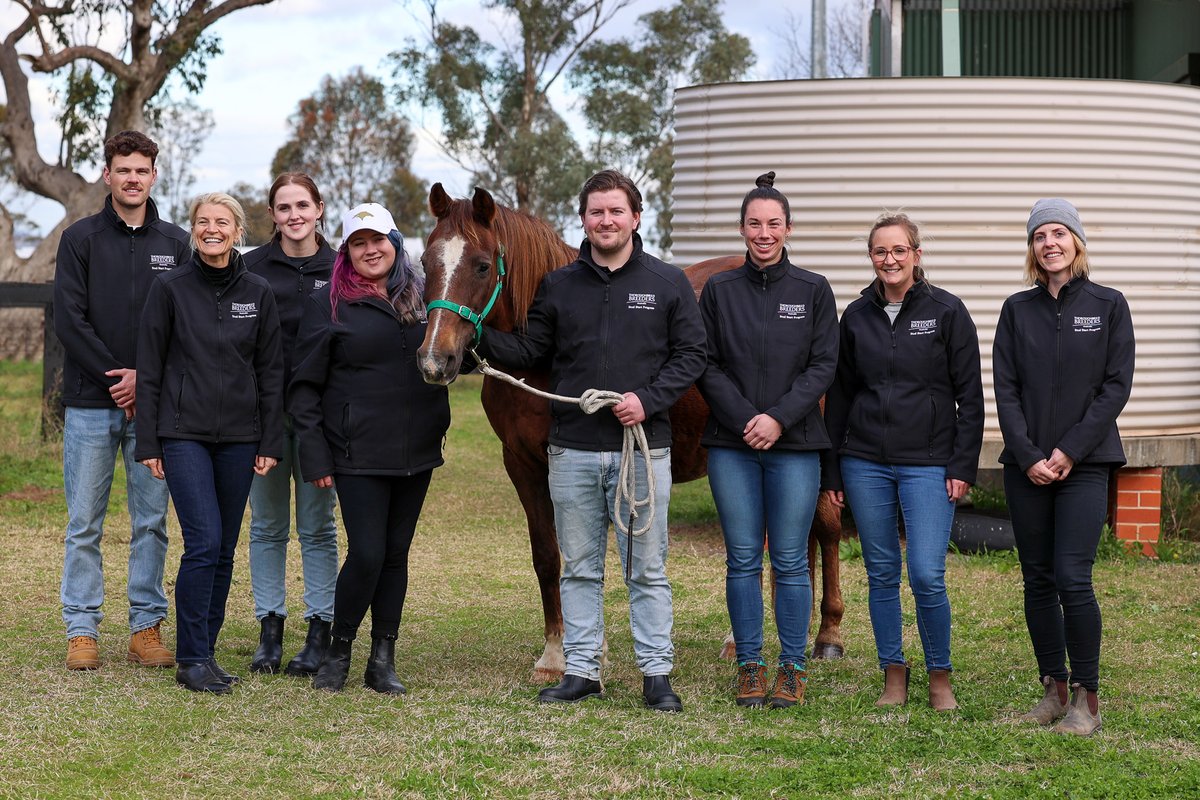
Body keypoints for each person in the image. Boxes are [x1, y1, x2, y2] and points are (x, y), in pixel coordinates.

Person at [475, 170, 706, 712]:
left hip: (641, 446)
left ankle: (656, 674)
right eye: (596, 212)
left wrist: (648, 399)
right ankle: (582, 671)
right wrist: (469, 329)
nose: (606, 221)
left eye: (616, 211)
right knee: (579, 567)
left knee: (646, 569)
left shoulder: (667, 282)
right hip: (573, 449)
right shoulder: (559, 286)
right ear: (583, 220)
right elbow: (531, 351)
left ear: (636, 218)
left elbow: (692, 355)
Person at [822, 212, 984, 711]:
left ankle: (939, 674)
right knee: (881, 572)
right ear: (871, 257)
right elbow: (840, 397)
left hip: (929, 463)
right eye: (880, 251)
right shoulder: (856, 317)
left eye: (898, 250)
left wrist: (962, 466)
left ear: (916, 254)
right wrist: (833, 470)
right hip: (865, 463)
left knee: (927, 574)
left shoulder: (947, 311)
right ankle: (893, 672)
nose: (889, 259)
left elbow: (970, 397)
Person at [289, 203, 450, 695]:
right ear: (346, 251)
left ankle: (382, 660)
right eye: (358, 243)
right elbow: (304, 387)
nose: (370, 250)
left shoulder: (424, 296)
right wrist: (314, 453)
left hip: (417, 447)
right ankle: (338, 652)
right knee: (367, 553)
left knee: (396, 554)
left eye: (378, 240)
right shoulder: (328, 303)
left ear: (395, 242)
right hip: (356, 449)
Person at [697, 172, 838, 709]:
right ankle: (751, 666)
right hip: (732, 446)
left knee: (790, 559)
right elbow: (706, 364)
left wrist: (777, 419)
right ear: (741, 229)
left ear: (788, 229)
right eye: (754, 223)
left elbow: (823, 366)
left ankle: (792, 668)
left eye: (773, 223)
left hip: (795, 446)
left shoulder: (813, 290)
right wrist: (745, 421)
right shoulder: (719, 291)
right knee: (741, 559)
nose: (764, 233)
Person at [993, 199, 1134, 736]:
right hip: (1026, 466)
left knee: (1073, 577)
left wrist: (1070, 450)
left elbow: (1114, 388)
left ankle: (1086, 699)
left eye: (1059, 233)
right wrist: (1028, 454)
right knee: (1037, 579)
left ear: (1076, 240)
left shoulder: (1108, 305)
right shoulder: (1017, 310)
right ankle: (1052, 689)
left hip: (1087, 462)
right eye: (1039, 236)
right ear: (1032, 248)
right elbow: (1005, 388)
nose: (1049, 243)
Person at [135, 193, 284, 694]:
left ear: (238, 231)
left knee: (223, 549)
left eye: (222, 222)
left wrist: (269, 438)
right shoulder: (169, 287)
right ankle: (191, 657)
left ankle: (207, 653)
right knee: (203, 542)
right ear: (193, 230)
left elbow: (271, 372)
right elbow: (150, 369)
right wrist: (148, 441)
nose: (212, 229)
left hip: (241, 437)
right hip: (183, 435)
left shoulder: (258, 291)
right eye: (203, 221)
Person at [54, 130, 191, 671]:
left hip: (153, 408)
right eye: (123, 169)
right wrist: (119, 379)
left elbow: (185, 325)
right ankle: (82, 630)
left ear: (154, 175)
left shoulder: (176, 243)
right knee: (84, 522)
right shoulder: (79, 239)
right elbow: (70, 320)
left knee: (151, 521)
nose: (133, 179)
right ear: (107, 174)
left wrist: (145, 379)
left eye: (142, 170)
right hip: (90, 404)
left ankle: (145, 628)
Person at [243, 173, 339, 676]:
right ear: (272, 215)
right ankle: (270, 629)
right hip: (265, 417)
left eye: (303, 205)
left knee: (318, 526)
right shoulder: (251, 268)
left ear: (319, 208)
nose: (294, 215)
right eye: (284, 207)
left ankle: (320, 629)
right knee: (267, 525)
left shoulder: (342, 267)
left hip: (321, 420)